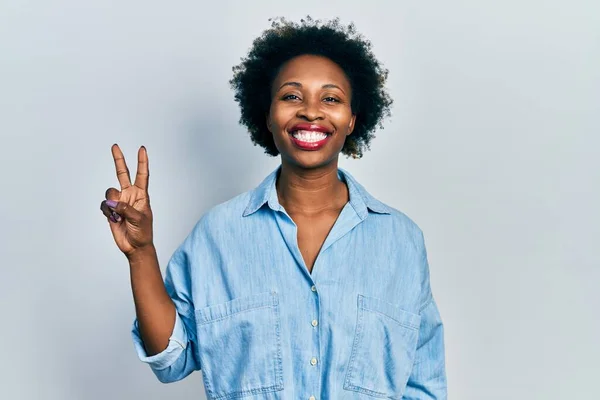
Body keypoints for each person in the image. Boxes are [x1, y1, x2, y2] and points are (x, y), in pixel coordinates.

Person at [100, 17, 446, 399]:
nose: (311, 112)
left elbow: (424, 386)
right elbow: (170, 360)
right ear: (267, 115)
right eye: (291, 96)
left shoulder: (401, 241)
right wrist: (141, 253)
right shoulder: (217, 234)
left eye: (330, 98)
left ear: (352, 120)